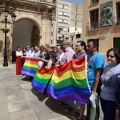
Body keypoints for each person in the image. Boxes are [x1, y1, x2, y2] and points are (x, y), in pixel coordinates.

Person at [86, 39, 104, 120]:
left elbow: (98, 74)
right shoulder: (89, 56)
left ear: (95, 47)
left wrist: (94, 89)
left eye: (89, 46)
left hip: (94, 86)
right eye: (87, 46)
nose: (87, 47)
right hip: (88, 85)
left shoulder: (98, 57)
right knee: (89, 104)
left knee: (94, 106)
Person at [100, 48, 120, 120]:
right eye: (108, 56)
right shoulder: (106, 67)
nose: (109, 58)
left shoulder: (119, 69)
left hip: (111, 101)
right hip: (102, 98)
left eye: (112, 56)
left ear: (117, 58)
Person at [74, 41, 87, 120]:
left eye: (77, 46)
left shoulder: (84, 56)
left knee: (81, 98)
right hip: (77, 78)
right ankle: (79, 112)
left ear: (82, 46)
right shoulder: (79, 55)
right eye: (75, 46)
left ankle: (81, 116)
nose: (76, 47)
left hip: (81, 80)